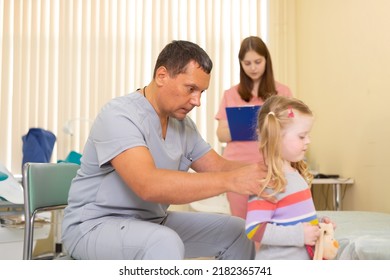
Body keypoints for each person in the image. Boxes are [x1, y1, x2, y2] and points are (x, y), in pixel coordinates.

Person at [61, 40, 268, 260]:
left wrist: (271, 172)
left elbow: (217, 166)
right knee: (163, 241)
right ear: (162, 76)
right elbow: (148, 184)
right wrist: (232, 181)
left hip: (151, 222)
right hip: (94, 226)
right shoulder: (119, 115)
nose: (197, 101)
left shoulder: (183, 125)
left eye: (201, 92)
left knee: (237, 232)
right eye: (191, 89)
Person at [245, 95, 334, 260]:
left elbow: (293, 218)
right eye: (302, 136)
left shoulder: (295, 174)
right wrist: (300, 235)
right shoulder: (268, 180)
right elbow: (254, 228)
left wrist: (318, 225)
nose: (308, 141)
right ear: (275, 137)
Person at [215, 36, 292, 219]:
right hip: (237, 167)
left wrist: (270, 126)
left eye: (258, 62)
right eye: (247, 63)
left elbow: (290, 128)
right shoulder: (231, 94)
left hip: (272, 166)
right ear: (241, 64)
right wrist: (252, 124)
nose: (253, 68)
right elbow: (221, 135)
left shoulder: (283, 93)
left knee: (272, 223)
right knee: (242, 223)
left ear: (266, 60)